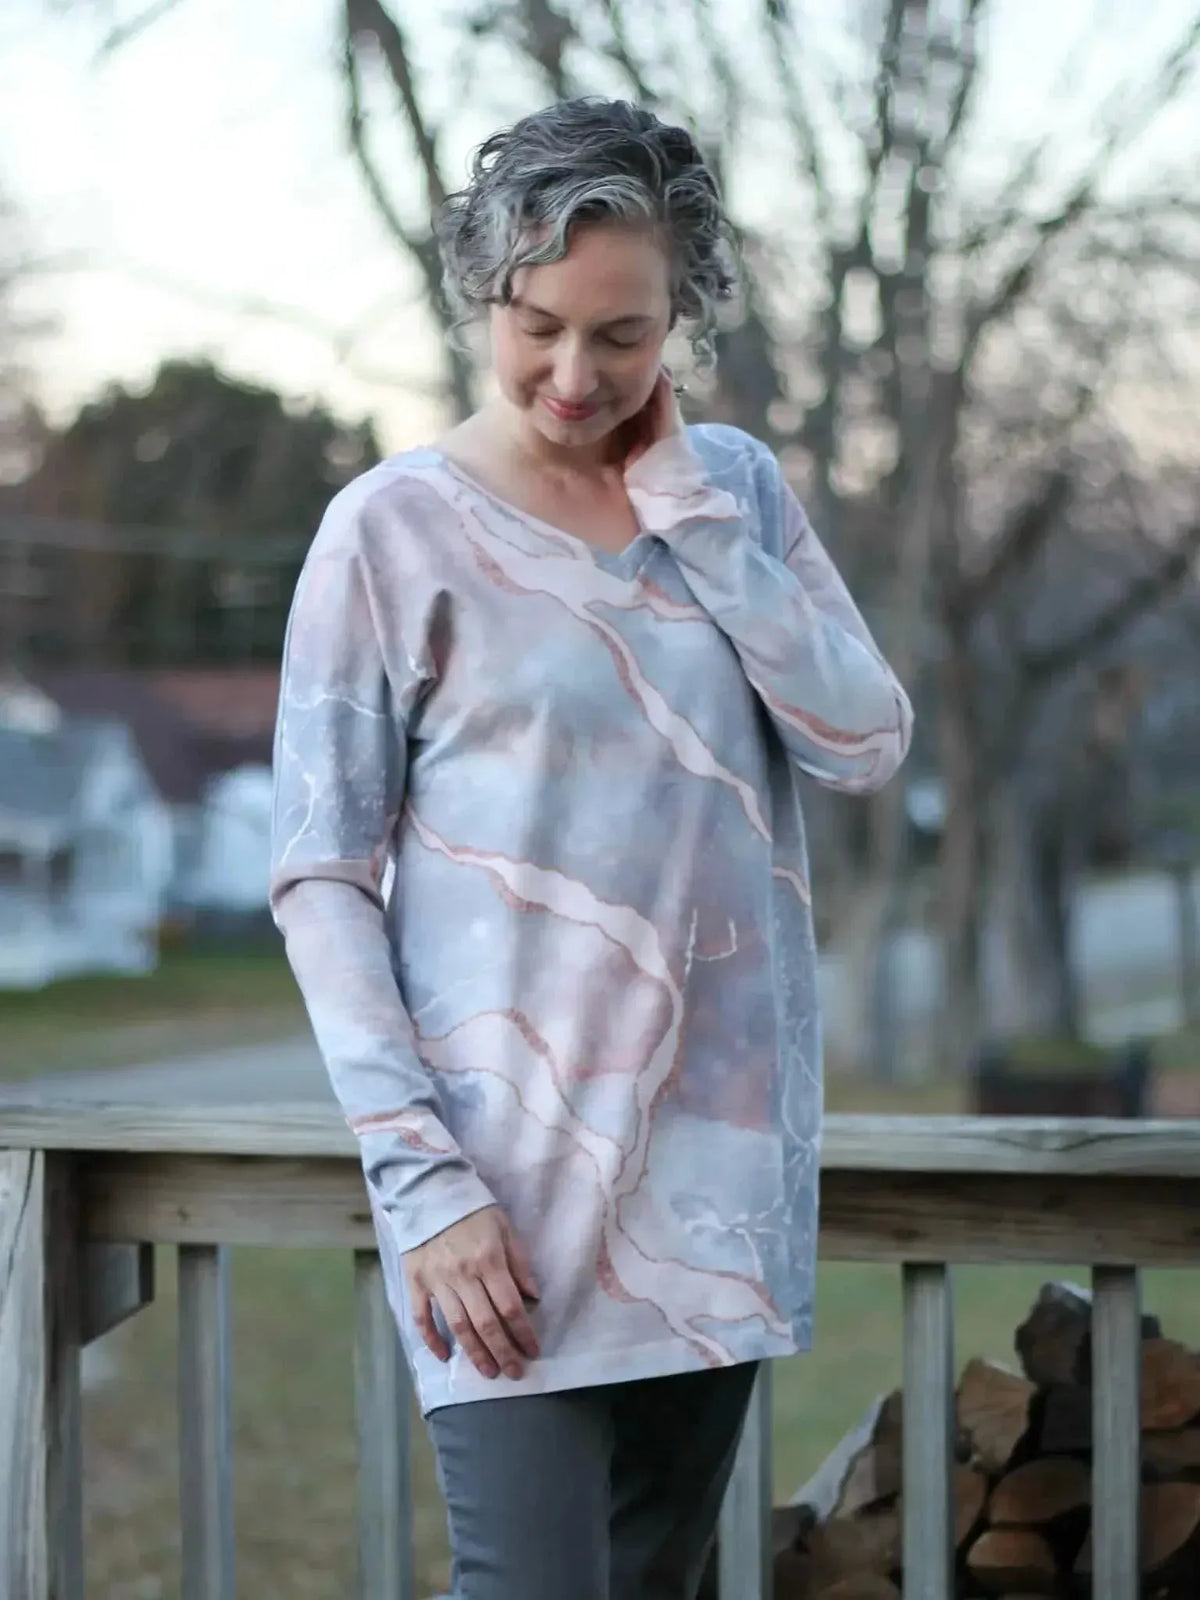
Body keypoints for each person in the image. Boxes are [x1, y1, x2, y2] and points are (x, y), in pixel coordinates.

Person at [270, 96, 912, 1600]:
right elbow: (321, 878)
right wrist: (423, 1184)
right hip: (500, 1200)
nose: (576, 375)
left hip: (717, 1182)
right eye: (538, 323)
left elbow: (864, 743)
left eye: (623, 336)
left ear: (681, 317)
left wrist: (691, 516)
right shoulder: (390, 533)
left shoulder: (735, 489)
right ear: (484, 294)